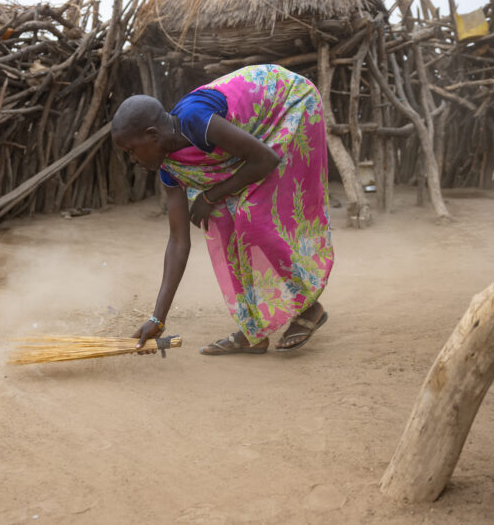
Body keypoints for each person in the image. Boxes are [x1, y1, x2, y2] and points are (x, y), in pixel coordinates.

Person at [111, 64, 333, 355]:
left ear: (152, 135)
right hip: (257, 136)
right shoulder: (170, 167)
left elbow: (264, 159)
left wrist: (212, 194)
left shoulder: (196, 120)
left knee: (251, 216)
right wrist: (158, 318)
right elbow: (178, 241)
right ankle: (254, 330)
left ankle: (310, 308)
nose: (132, 160)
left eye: (131, 150)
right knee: (223, 221)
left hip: (290, 104)